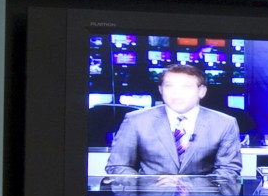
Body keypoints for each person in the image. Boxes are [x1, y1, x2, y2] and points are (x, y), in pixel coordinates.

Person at [105, 64, 245, 188]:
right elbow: (118, 166)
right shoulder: (136, 120)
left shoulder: (224, 123)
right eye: (169, 86)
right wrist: (148, 184)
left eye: (186, 87)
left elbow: (229, 172)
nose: (176, 93)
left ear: (201, 91)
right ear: (160, 90)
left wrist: (184, 183)